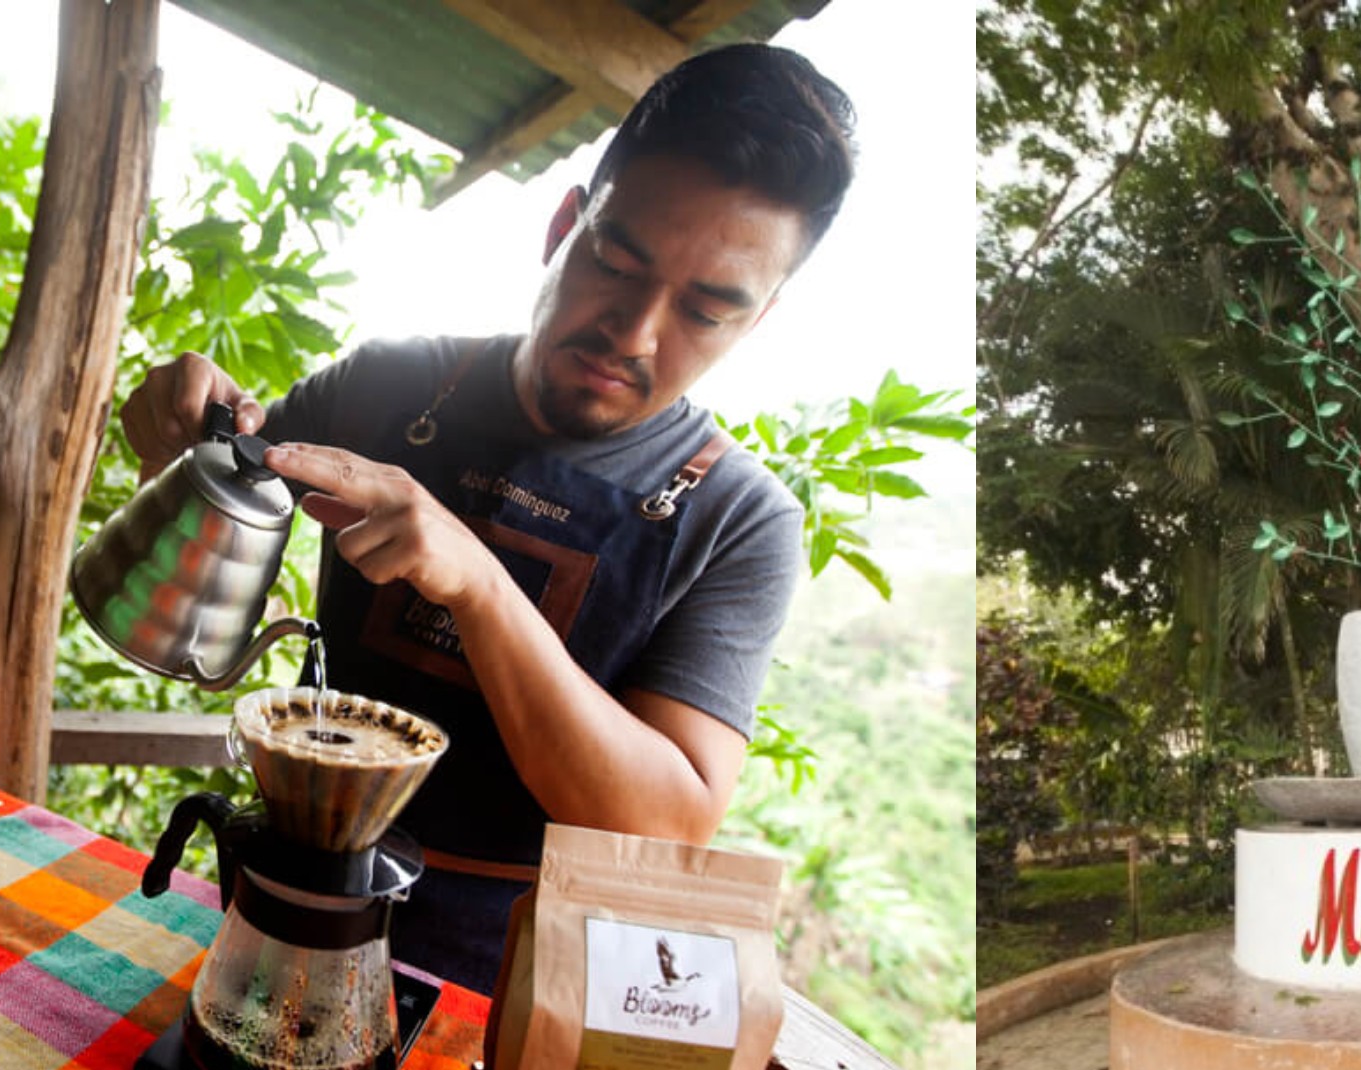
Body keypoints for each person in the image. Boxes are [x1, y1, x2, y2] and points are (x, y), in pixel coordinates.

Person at [118, 44, 857, 993]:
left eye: (706, 312)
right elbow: (200, 506)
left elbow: (667, 823)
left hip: (509, 990)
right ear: (565, 221)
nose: (632, 334)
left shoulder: (738, 518)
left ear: (756, 320)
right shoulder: (390, 383)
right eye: (618, 262)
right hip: (284, 909)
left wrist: (475, 581)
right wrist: (178, 427)